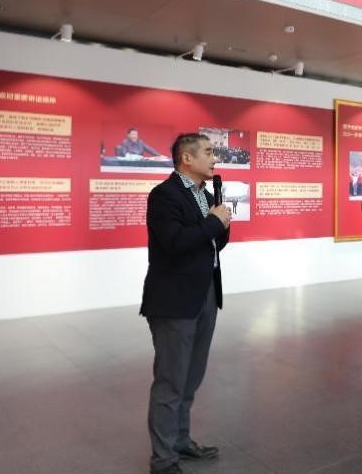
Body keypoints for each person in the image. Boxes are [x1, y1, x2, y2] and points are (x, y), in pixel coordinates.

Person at [141, 133, 232, 474]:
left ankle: (180, 441)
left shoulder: (206, 195)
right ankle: (163, 461)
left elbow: (212, 243)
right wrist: (213, 223)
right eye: (208, 152)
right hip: (174, 300)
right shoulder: (164, 196)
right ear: (186, 158)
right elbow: (175, 242)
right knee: (171, 381)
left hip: (205, 293)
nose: (214, 158)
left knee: (191, 377)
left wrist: (221, 224)